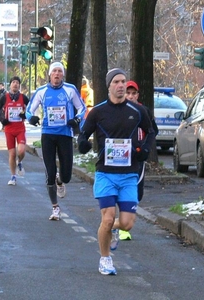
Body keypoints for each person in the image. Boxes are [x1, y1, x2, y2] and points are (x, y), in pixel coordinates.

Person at [77, 68, 155, 275]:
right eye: (117, 82)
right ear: (109, 86)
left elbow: (150, 131)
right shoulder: (98, 111)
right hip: (106, 173)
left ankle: (112, 230)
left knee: (127, 224)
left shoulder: (137, 111)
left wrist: (145, 148)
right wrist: (83, 143)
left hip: (129, 174)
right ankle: (105, 259)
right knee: (108, 217)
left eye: (123, 81)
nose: (121, 85)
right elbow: (83, 134)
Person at [26, 62, 86, 220]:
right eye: (54, 71)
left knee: (66, 175)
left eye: (60, 71)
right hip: (48, 134)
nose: (57, 74)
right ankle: (55, 208)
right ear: (50, 74)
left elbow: (82, 108)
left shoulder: (70, 89)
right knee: (49, 173)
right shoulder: (42, 91)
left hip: (65, 134)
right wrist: (31, 118)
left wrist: (77, 119)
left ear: (63, 75)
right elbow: (28, 110)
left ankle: (61, 181)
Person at [118, 80, 158, 241]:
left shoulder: (144, 111)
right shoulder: (118, 110)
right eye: (128, 93)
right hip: (120, 156)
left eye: (134, 93)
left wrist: (145, 148)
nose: (131, 96)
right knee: (124, 190)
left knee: (137, 193)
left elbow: (153, 131)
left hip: (138, 156)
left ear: (138, 95)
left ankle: (122, 222)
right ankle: (123, 227)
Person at [0, 76, 29, 186]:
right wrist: (2, 119)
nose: (15, 84)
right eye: (13, 82)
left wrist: (26, 115)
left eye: (17, 83)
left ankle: (20, 162)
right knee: (12, 153)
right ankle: (13, 176)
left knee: (21, 151)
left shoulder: (23, 97)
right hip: (9, 129)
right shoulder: (4, 97)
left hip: (20, 128)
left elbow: (31, 108)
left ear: (19, 85)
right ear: (10, 85)